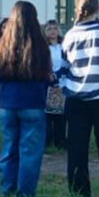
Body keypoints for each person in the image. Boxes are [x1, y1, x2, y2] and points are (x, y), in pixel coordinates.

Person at [59, 0, 99, 197]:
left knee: (77, 150)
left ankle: (79, 194)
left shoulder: (69, 36)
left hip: (76, 99)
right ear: (97, 9)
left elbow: (64, 68)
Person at [0, 1, 52, 197]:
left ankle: (6, 190)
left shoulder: (4, 44)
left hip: (8, 102)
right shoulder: (39, 44)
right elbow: (46, 74)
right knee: (30, 153)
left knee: (9, 148)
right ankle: (25, 195)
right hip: (33, 101)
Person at [43, 19, 68, 150]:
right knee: (48, 112)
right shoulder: (43, 46)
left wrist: (59, 75)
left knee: (61, 113)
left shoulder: (64, 45)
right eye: (49, 29)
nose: (52, 31)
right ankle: (48, 137)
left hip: (62, 81)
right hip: (48, 81)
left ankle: (61, 138)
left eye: (55, 28)